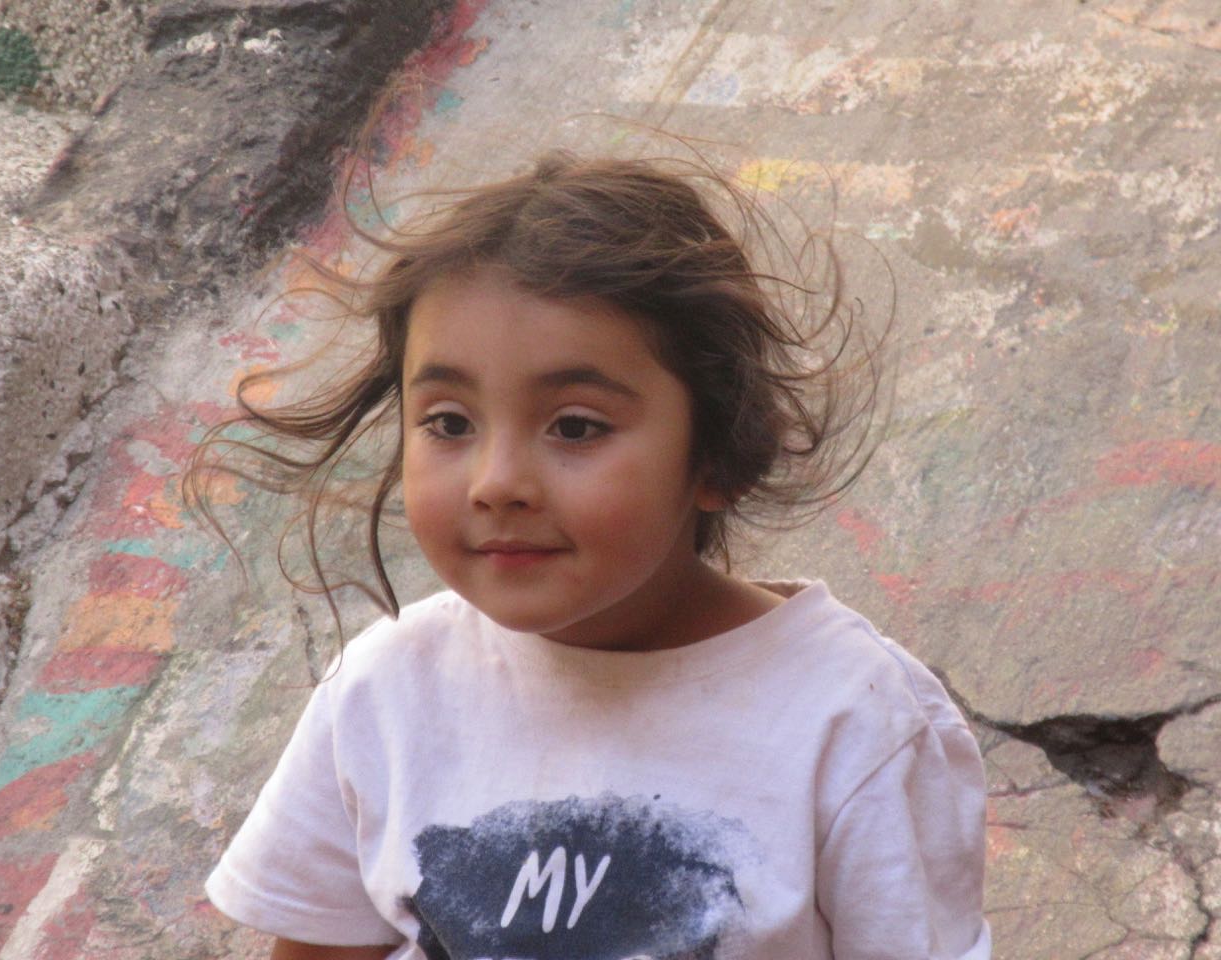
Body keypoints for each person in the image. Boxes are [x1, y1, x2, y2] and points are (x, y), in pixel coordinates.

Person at [189, 149, 990, 960]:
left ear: (718, 456)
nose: (497, 484)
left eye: (575, 427)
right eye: (449, 423)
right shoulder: (384, 690)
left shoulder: (852, 721)